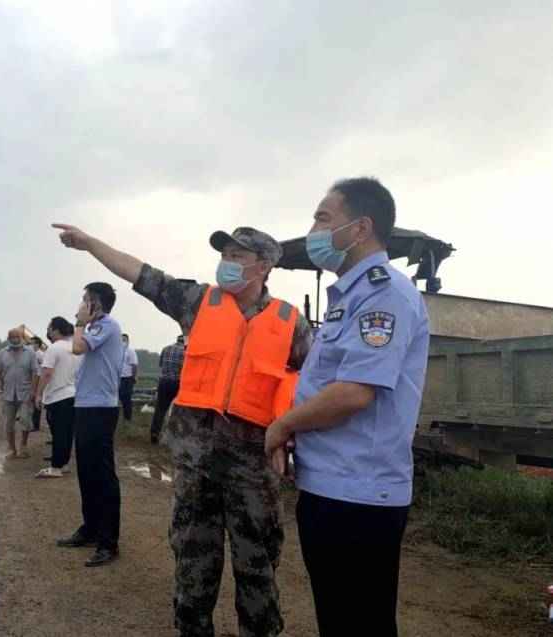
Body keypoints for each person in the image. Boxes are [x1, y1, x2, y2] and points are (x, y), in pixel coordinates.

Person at [53, 223, 311, 636]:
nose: (225, 263)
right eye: (223, 255)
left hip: (253, 468)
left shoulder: (290, 323)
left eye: (237, 256)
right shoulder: (198, 301)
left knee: (258, 567)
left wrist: (290, 438)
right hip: (196, 465)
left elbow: (306, 383)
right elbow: (141, 274)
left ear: (263, 265)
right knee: (193, 563)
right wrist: (89, 244)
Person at [264, 178, 429, 637]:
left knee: (360, 623)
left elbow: (356, 392)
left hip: (359, 495)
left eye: (322, 218)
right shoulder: (350, 298)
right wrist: (299, 434)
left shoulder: (385, 294)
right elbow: (324, 386)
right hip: (332, 486)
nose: (314, 230)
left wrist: (282, 425)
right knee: (339, 620)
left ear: (360, 228)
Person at [52, 282, 123, 568]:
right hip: (84, 405)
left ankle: (109, 541)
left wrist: (80, 322)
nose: (80, 304)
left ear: (96, 303)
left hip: (101, 409)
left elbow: (78, 347)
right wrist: (83, 323)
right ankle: (90, 528)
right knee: (86, 472)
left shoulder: (108, 325)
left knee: (103, 476)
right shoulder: (94, 327)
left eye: (85, 300)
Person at [34, 317, 80, 478]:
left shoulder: (54, 348)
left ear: (55, 329)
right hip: (73, 394)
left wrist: (38, 394)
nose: (48, 332)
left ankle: (56, 467)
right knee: (67, 432)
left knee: (59, 432)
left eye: (49, 328)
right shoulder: (75, 347)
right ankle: (63, 463)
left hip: (58, 395)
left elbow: (46, 373)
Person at [0, 328, 38, 458]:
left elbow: (35, 372)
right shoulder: (2, 353)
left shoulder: (30, 353)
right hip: (8, 393)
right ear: (8, 339)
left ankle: (23, 444)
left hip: (25, 393)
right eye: (12, 337)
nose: (15, 339)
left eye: (17, 337)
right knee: (8, 423)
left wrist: (34, 391)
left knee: (25, 420)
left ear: (22, 338)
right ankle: (12, 448)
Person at [150, 334, 185, 444]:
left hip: (164, 381)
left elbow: (161, 365)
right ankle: (175, 436)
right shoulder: (184, 352)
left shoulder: (166, 349)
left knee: (160, 409)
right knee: (179, 410)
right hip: (177, 383)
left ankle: (154, 433)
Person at [118, 333, 139, 422]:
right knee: (119, 397)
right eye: (121, 340)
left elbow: (134, 365)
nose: (123, 342)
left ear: (128, 341)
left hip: (127, 378)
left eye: (124, 340)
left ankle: (127, 418)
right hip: (118, 378)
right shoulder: (116, 351)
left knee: (127, 398)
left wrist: (134, 377)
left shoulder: (130, 351)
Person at [30, 336, 46, 431]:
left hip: (39, 379)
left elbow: (44, 367)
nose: (31, 345)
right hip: (33, 379)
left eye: (32, 343)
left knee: (36, 401)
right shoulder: (32, 354)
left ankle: (36, 424)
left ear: (37, 344)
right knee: (32, 402)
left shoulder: (40, 354)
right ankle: (33, 422)